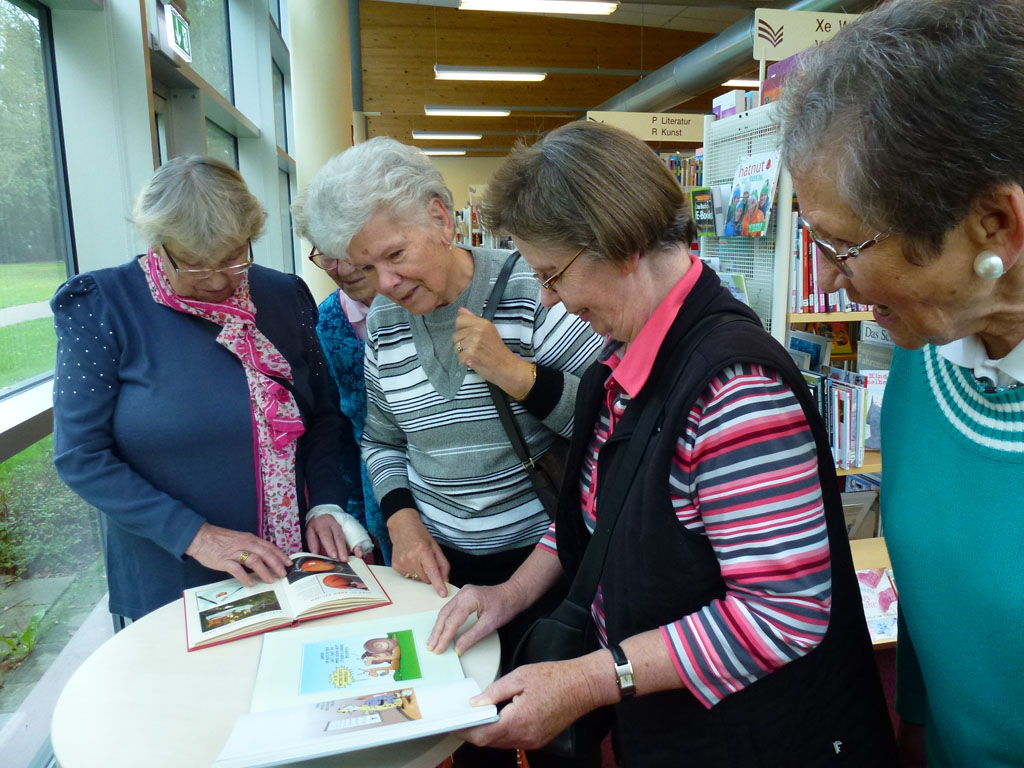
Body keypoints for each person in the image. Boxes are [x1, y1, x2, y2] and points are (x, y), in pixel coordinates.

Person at [427, 121, 897, 766]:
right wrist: (508, 596)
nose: (549, 299)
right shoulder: (625, 361)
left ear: (620, 245)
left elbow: (782, 615)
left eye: (554, 275)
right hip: (674, 723)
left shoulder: (734, 391)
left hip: (751, 739)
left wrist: (589, 680)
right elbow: (603, 511)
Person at [298, 137, 601, 767]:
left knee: (559, 739)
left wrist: (515, 373)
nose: (386, 283)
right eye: (367, 267)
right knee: (468, 737)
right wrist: (403, 521)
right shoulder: (384, 323)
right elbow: (382, 439)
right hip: (444, 574)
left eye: (395, 254)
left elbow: (605, 425)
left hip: (545, 565)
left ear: (440, 217)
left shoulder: (536, 290)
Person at [777, 1, 1024, 765]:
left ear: (996, 225)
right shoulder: (926, 357)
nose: (826, 278)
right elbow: (936, 608)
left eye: (844, 246)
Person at [51, 156, 369, 622]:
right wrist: (197, 536)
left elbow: (321, 414)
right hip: (174, 575)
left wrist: (324, 502)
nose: (220, 280)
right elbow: (81, 456)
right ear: (158, 244)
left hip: (296, 566)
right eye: (197, 266)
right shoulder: (101, 307)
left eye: (234, 258)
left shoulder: (283, 295)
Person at [292, 191, 391, 564]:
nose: (343, 268)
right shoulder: (324, 325)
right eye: (327, 256)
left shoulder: (427, 304)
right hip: (382, 506)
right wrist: (352, 517)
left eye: (350, 251)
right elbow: (335, 431)